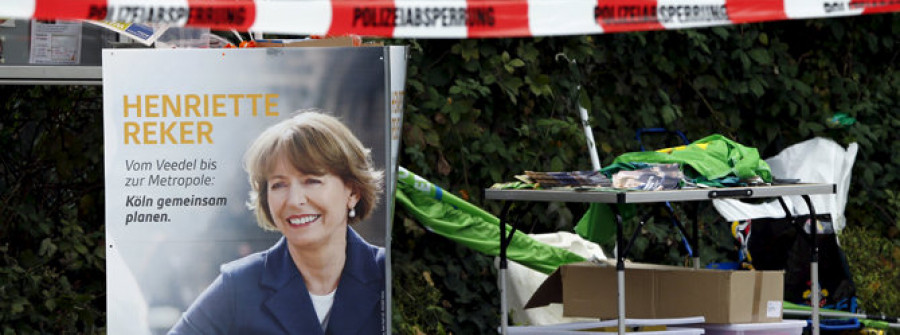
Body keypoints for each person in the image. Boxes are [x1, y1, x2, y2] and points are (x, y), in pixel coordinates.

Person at [169, 110, 385, 335]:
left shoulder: (388, 273)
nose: (294, 200)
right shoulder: (240, 285)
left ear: (353, 192)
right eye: (279, 185)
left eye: (312, 181)